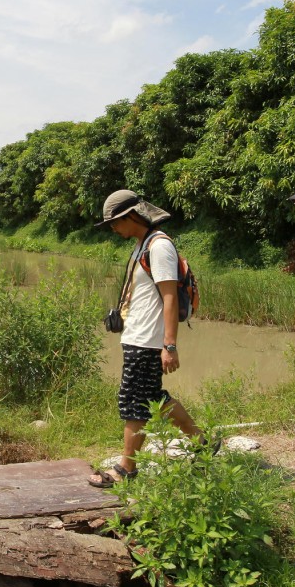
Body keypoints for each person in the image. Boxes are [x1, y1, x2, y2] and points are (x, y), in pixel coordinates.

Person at [88, 190, 213, 488]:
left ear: (132, 216)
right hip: (137, 336)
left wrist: (170, 345)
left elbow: (170, 298)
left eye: (115, 222)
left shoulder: (159, 247)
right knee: (154, 399)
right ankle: (201, 443)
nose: (113, 228)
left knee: (134, 403)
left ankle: (126, 469)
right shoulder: (141, 246)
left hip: (148, 341)